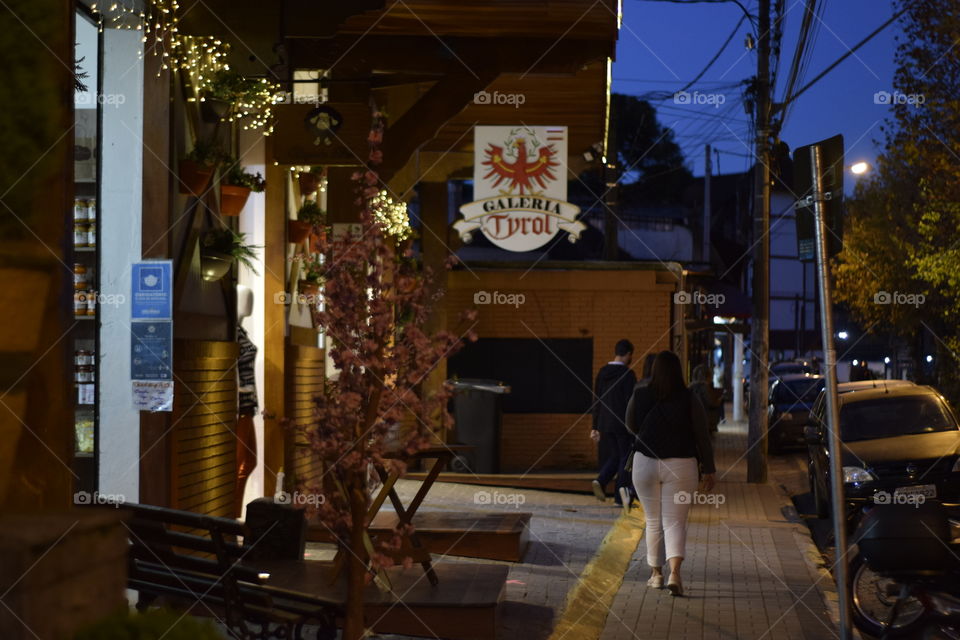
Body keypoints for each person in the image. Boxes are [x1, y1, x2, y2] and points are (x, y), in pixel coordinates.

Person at [626, 350, 716, 596]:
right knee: (675, 522)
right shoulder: (690, 398)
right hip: (681, 465)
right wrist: (709, 469)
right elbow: (702, 435)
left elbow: (630, 424)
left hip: (644, 462)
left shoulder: (640, 394)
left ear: (654, 370)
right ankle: (675, 575)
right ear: (678, 371)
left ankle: (656, 575)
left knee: (653, 521)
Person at [590, 339, 637, 511]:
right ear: (628, 354)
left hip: (604, 422)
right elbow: (632, 402)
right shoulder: (628, 375)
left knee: (616, 455)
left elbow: (597, 399)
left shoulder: (602, 372)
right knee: (626, 457)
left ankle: (601, 480)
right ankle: (620, 496)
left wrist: (595, 425)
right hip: (623, 423)